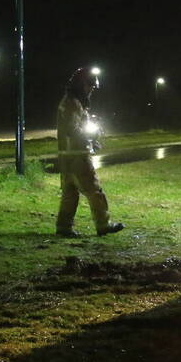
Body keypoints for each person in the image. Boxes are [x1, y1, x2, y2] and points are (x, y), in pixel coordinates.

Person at [55, 68, 125, 238]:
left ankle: (64, 227)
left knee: (70, 194)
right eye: (90, 85)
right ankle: (104, 224)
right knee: (95, 191)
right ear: (81, 84)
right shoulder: (73, 104)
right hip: (78, 155)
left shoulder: (69, 102)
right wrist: (91, 135)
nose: (91, 89)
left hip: (66, 155)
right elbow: (74, 129)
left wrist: (91, 140)